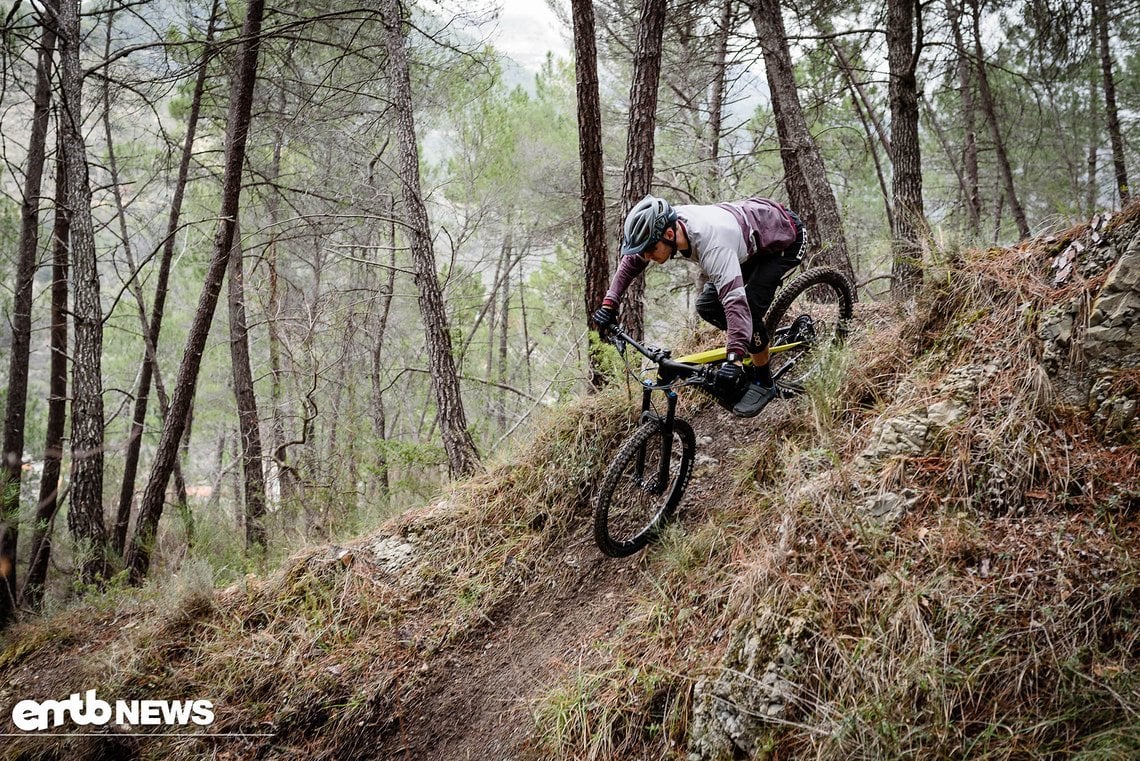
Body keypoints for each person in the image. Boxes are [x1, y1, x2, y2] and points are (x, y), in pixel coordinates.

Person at [592, 194, 804, 417]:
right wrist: (609, 304)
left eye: (650, 250)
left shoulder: (712, 246)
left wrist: (734, 359)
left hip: (784, 239)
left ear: (670, 234)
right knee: (708, 306)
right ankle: (752, 343)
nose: (646, 256)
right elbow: (631, 263)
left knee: (748, 312)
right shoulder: (666, 225)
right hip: (749, 233)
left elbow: (736, 306)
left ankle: (764, 381)